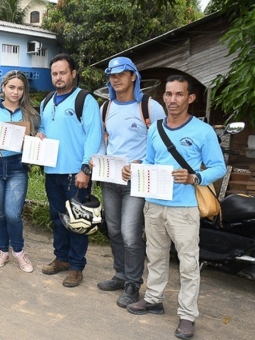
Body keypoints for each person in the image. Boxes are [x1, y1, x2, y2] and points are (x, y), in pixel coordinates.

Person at [123, 75, 226, 340]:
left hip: (184, 207)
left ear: (190, 98)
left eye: (179, 94)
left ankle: (187, 315)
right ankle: (154, 299)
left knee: (188, 264)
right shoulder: (155, 128)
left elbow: (218, 167)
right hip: (154, 203)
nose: (172, 100)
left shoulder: (203, 131)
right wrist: (135, 168)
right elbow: (149, 160)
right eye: (168, 94)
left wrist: (194, 178)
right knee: (155, 256)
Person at [96, 57, 165, 307]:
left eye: (121, 74)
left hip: (137, 181)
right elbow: (104, 140)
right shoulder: (105, 108)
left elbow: (161, 144)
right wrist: (98, 159)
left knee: (129, 233)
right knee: (113, 229)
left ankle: (133, 284)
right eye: (112, 75)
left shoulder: (150, 107)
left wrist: (140, 163)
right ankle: (120, 273)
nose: (116, 79)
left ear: (133, 76)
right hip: (110, 178)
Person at [37, 54, 102, 286]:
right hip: (52, 171)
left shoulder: (85, 100)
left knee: (78, 221)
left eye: (63, 72)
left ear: (73, 73)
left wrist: (85, 169)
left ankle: (76, 266)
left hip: (76, 174)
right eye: (54, 73)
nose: (58, 77)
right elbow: (43, 127)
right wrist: (39, 134)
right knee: (57, 218)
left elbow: (94, 137)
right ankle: (61, 258)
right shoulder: (46, 101)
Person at [0, 70, 40, 272]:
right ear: (3, 87)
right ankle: (2, 250)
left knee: (13, 214)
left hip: (17, 166)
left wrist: (38, 137)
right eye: (12, 87)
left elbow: (37, 137)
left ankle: (19, 251)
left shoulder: (30, 113)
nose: (16, 92)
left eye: (20, 88)